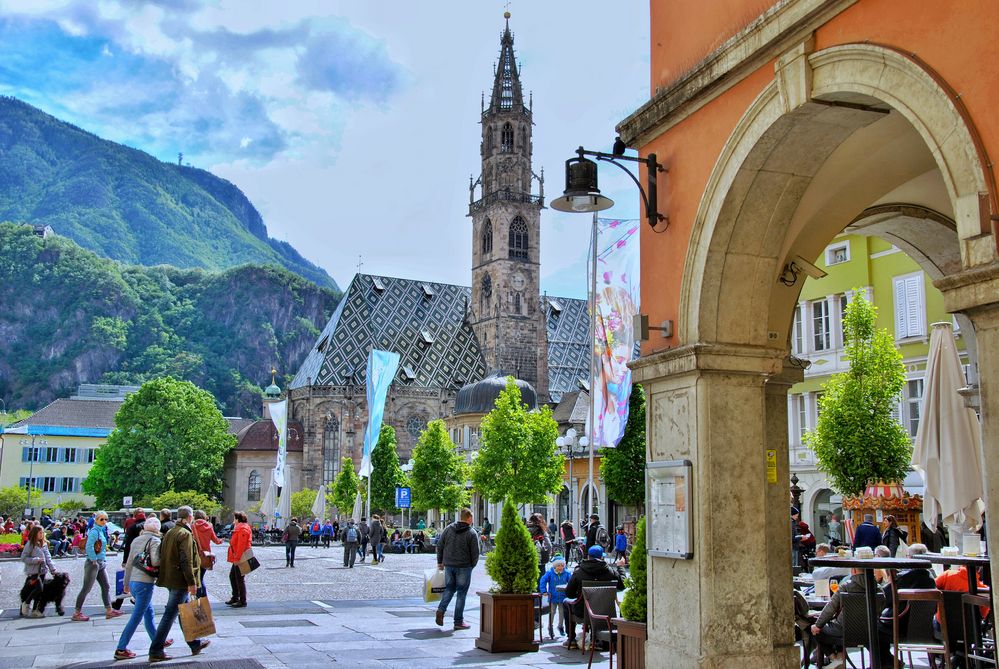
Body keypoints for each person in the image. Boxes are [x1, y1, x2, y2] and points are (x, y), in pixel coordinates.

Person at [148, 506, 210, 662]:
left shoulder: (170, 532)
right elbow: (186, 560)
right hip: (180, 580)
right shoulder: (184, 534)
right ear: (189, 517)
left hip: (171, 578)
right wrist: (192, 582)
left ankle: (194, 644)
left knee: (185, 613)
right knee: (170, 615)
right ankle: (156, 650)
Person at [114, 516, 170, 660]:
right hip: (145, 582)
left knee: (148, 612)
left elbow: (128, 564)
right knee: (137, 617)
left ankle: (158, 640)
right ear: (157, 528)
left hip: (133, 581)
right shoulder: (155, 540)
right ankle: (121, 648)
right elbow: (156, 562)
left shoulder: (136, 540)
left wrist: (126, 584)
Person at [811, 568, 884, 668]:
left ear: (853, 570)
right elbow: (880, 610)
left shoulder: (846, 586)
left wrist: (818, 625)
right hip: (869, 631)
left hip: (843, 630)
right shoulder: (878, 588)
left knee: (815, 629)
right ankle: (840, 657)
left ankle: (835, 658)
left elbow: (830, 608)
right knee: (834, 624)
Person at [562, 546, 625, 650]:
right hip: (604, 612)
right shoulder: (609, 572)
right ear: (601, 557)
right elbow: (622, 585)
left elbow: (569, 593)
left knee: (566, 602)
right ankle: (597, 640)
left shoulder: (579, 572)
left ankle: (571, 639)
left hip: (582, 612)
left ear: (588, 556)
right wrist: (620, 567)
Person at [434, 508, 479, 631]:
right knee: (461, 593)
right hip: (464, 566)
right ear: (469, 518)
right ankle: (458, 621)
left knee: (449, 589)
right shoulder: (471, 532)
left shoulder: (448, 529)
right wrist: (471, 566)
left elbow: (440, 545)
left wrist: (440, 562)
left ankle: (441, 610)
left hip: (449, 565)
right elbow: (475, 553)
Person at [72, 511, 121, 622]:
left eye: (105, 519)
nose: (104, 521)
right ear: (96, 520)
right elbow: (89, 546)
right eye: (101, 519)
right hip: (94, 563)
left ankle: (109, 610)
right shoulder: (95, 531)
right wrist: (93, 559)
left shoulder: (100, 531)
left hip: (100, 562)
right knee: (86, 588)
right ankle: (76, 612)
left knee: (106, 586)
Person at [20, 525, 60, 618]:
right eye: (40, 532)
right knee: (39, 588)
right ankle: (26, 603)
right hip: (33, 572)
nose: (42, 534)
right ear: (35, 533)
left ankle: (35, 610)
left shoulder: (44, 544)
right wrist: (36, 560)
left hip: (43, 571)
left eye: (42, 533)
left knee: (39, 592)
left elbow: (48, 558)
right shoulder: (30, 544)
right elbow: (23, 558)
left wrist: (53, 569)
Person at [538, 556, 570, 639]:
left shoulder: (566, 573)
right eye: (558, 566)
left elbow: (570, 582)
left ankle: (560, 626)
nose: (560, 568)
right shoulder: (550, 573)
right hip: (553, 596)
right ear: (554, 566)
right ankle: (550, 626)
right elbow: (543, 580)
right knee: (552, 612)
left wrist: (570, 592)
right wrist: (544, 590)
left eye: (562, 566)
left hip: (563, 596)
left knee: (562, 612)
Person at [192, 510, 222, 598]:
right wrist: (221, 541)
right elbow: (216, 541)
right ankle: (203, 598)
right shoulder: (209, 526)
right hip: (206, 556)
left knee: (198, 579)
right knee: (201, 578)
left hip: (195, 556)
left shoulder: (192, 526)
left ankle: (200, 599)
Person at [226, 511, 251, 608]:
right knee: (233, 576)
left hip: (241, 557)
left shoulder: (242, 529)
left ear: (237, 519)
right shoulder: (239, 528)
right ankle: (235, 597)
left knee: (239, 578)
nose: (233, 521)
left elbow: (241, 545)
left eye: (234, 519)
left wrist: (237, 558)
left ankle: (242, 600)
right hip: (238, 556)